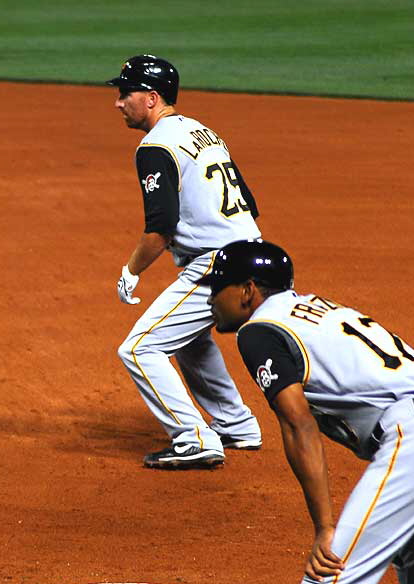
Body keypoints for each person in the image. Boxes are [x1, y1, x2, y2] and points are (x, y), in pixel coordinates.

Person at [200, 239, 414, 584]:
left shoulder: (259, 330)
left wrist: (324, 528)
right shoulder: (315, 310)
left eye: (218, 288)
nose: (211, 299)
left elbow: (297, 422)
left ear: (248, 290)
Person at [107, 55, 262, 469]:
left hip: (218, 263)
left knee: (139, 349)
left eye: (126, 93)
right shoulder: (204, 132)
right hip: (250, 253)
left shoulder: (155, 145)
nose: (119, 102)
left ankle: (193, 438)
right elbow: (250, 202)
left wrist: (131, 270)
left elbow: (160, 227)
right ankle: (236, 424)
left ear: (152, 98)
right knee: (191, 339)